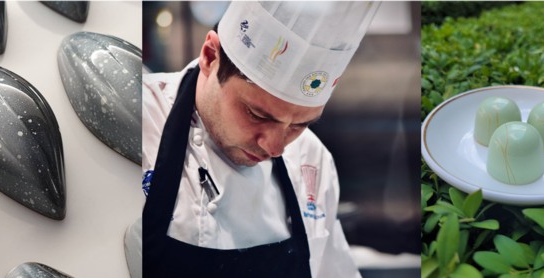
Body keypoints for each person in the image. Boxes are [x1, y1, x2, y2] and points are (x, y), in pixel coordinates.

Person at [137, 2, 379, 277]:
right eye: (258, 115)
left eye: (299, 125)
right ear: (210, 56)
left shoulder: (311, 158)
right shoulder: (137, 119)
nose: (275, 147)